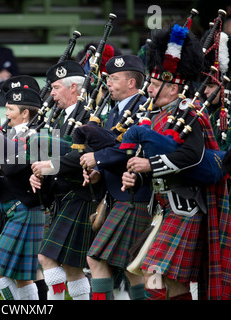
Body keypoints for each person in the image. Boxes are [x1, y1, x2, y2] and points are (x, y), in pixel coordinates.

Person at [121, 22, 231, 300]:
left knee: (161, 275)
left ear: (173, 88)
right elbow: (157, 158)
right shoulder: (158, 115)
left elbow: (190, 157)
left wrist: (149, 166)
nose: (149, 90)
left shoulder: (188, 111)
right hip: (162, 207)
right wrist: (137, 174)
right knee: (160, 277)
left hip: (186, 207)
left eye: (156, 85)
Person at [79, 54, 153, 300]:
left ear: (131, 83)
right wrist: (98, 172)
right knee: (132, 265)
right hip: (118, 197)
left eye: (114, 78)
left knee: (104, 259)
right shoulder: (115, 111)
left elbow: (130, 150)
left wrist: (98, 160)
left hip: (135, 196)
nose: (108, 83)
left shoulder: (145, 108)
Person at [29, 60, 105, 300]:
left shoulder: (92, 116)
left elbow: (87, 156)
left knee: (47, 257)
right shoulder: (60, 118)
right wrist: (38, 172)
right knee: (72, 266)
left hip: (81, 195)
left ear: (74, 88)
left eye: (56, 87)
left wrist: (51, 165)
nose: (51, 93)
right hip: (62, 196)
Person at [0, 82, 46, 300]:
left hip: (25, 208)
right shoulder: (11, 136)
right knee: (22, 277)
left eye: (10, 109)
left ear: (25, 113)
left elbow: (27, 161)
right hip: (12, 209)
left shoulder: (37, 134)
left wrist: (0, 166)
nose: (5, 114)